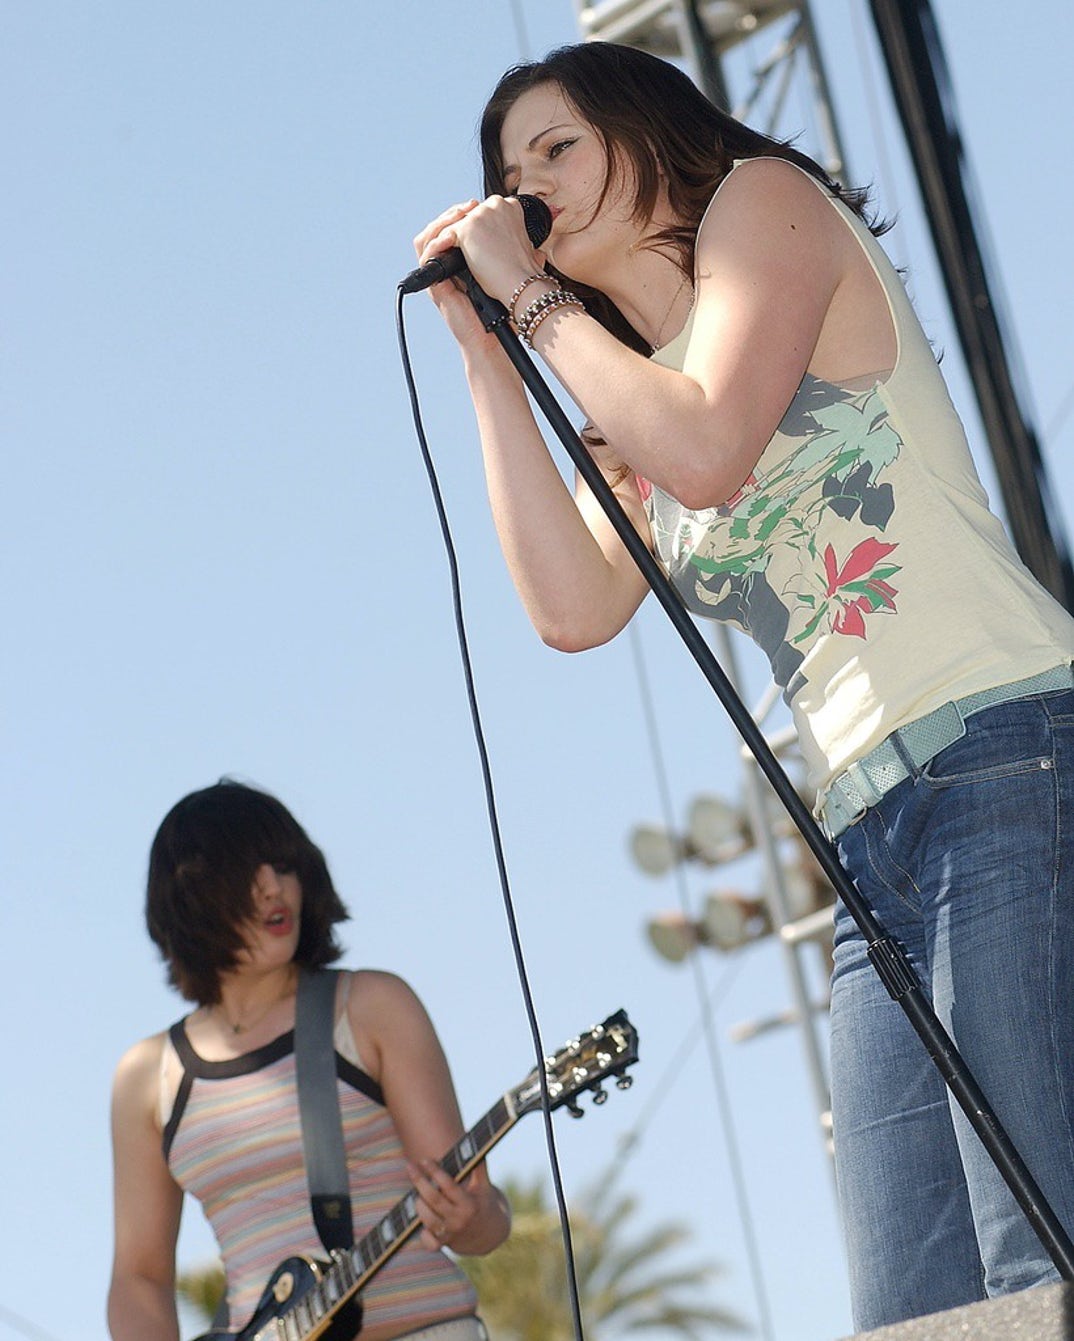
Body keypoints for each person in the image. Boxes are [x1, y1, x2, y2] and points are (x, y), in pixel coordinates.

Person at [413, 39, 1074, 1332]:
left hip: (995, 752)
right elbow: (569, 606)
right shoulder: (628, 395)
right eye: (507, 173)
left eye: (556, 146)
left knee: (1031, 1254)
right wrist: (485, 345)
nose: (527, 185)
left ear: (646, 124)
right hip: (859, 841)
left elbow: (713, 445)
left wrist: (535, 306)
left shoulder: (762, 208)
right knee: (913, 1305)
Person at [107, 780, 509, 1340]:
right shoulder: (149, 1076)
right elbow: (138, 1276)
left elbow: (474, 1216)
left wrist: (475, 1219)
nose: (275, 887)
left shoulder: (370, 1008)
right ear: (190, 896)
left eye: (284, 865)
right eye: (247, 871)